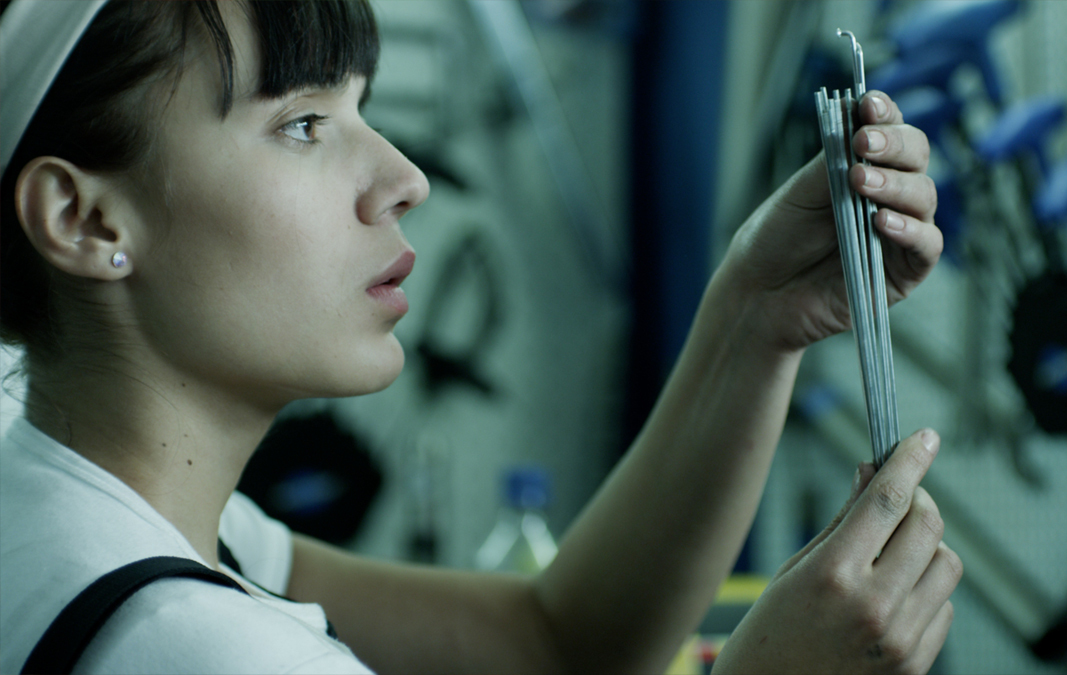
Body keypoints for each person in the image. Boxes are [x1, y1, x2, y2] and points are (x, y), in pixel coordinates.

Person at [0, 1, 960, 673]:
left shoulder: (84, 511)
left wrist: (755, 313)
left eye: (360, 109)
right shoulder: (202, 646)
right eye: (302, 124)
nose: (404, 178)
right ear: (84, 218)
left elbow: (552, 644)